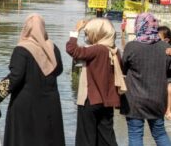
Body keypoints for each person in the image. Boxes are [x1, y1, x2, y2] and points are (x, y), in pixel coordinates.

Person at [0, 14, 65, 146]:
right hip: (50, 104)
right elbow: (59, 70)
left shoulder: (22, 49)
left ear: (26, 28)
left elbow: (15, 77)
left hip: (26, 107)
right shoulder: (52, 48)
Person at [66, 18, 125, 146]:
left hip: (91, 100)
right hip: (107, 102)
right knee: (106, 138)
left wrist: (76, 31)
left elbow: (72, 50)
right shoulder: (115, 51)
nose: (87, 36)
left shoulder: (97, 50)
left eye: (88, 33)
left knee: (86, 138)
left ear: (97, 34)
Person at [121, 13, 171, 146]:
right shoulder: (166, 48)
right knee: (160, 133)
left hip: (134, 100)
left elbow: (123, 69)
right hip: (157, 99)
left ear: (139, 26)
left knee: (135, 133)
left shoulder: (132, 47)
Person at [158, 26, 171, 120]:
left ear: (166, 40)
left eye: (159, 39)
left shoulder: (168, 48)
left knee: (169, 89)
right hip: (162, 73)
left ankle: (168, 110)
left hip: (169, 75)